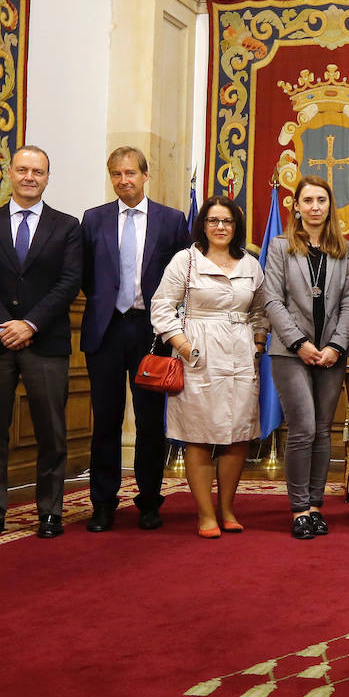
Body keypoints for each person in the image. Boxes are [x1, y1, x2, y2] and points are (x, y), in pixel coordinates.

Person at [0, 145, 82, 542]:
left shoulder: (67, 227)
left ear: (48, 178)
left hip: (45, 342)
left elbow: (69, 283)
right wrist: (4, 324)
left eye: (38, 172)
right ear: (9, 174)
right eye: (23, 170)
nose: (30, 177)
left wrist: (29, 324)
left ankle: (50, 512)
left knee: (52, 432)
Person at [79, 146, 189, 533]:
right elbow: (87, 277)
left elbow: (182, 279)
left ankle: (148, 501)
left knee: (149, 422)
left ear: (146, 174)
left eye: (130, 173)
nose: (123, 180)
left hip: (151, 333)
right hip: (106, 330)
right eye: (116, 174)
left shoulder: (172, 221)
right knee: (105, 420)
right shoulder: (93, 220)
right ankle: (103, 504)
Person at [150, 196, 267, 538]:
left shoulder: (250, 264)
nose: (220, 227)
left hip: (241, 352)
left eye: (227, 222)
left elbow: (261, 309)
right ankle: (205, 514)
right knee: (198, 434)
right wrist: (183, 345)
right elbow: (161, 307)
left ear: (236, 227)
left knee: (238, 433)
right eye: (213, 221)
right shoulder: (185, 260)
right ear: (202, 225)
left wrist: (258, 344)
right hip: (197, 350)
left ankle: (227, 509)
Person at [263, 175, 349, 540]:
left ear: (329, 206)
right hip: (290, 352)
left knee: (322, 430)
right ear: (296, 207)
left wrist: (336, 345)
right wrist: (299, 342)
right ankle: (299, 509)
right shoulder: (279, 246)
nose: (315, 207)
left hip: (332, 353)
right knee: (302, 429)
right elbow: (272, 299)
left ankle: (316, 507)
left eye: (321, 200)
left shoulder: (343, 249)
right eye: (308, 200)